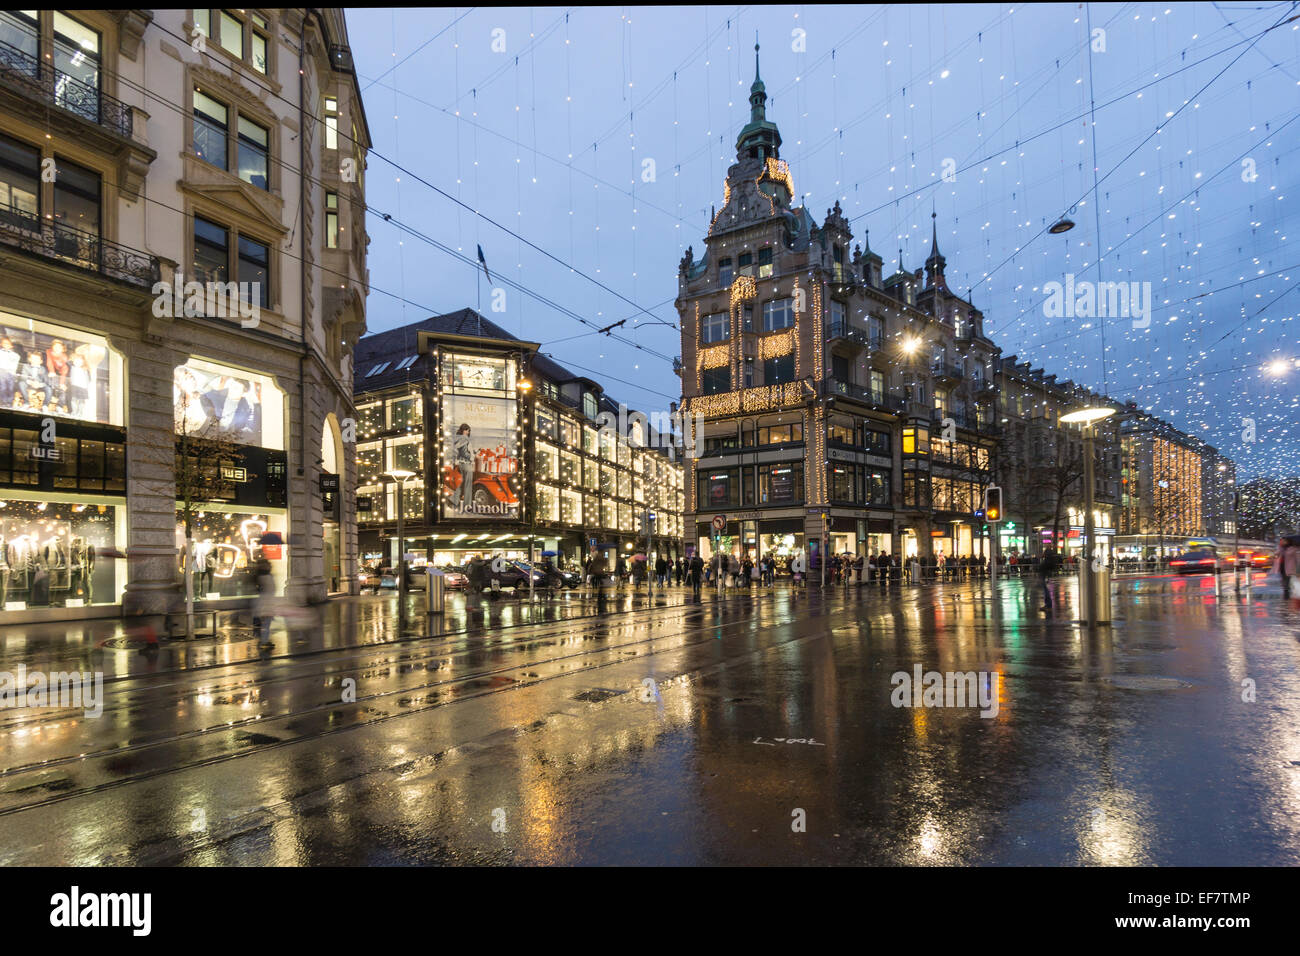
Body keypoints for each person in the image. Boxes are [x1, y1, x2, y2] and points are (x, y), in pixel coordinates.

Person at [251, 556, 276, 648]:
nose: (270, 566)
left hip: (267, 603)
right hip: (265, 604)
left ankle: (264, 640)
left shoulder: (265, 575)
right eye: (268, 564)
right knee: (265, 624)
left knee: (266, 624)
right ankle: (263, 641)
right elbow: (267, 591)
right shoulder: (263, 576)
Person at [451, 423, 474, 512]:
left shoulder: (457, 438)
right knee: (468, 484)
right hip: (466, 464)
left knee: (459, 483)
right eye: (467, 430)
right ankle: (467, 505)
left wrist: (474, 452)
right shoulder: (465, 439)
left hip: (459, 463)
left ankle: (455, 502)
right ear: (464, 431)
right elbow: (464, 453)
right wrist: (472, 456)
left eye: (468, 431)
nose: (468, 432)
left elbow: (460, 451)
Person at [0, 337, 19, 408]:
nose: (6, 345)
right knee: (3, 386)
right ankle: (3, 402)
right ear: (1, 344)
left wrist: (10, 370)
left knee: (10, 387)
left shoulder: (15, 355)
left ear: (11, 345)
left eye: (8, 344)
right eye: (4, 343)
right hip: (1, 372)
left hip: (10, 373)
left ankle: (10, 402)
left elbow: (14, 365)